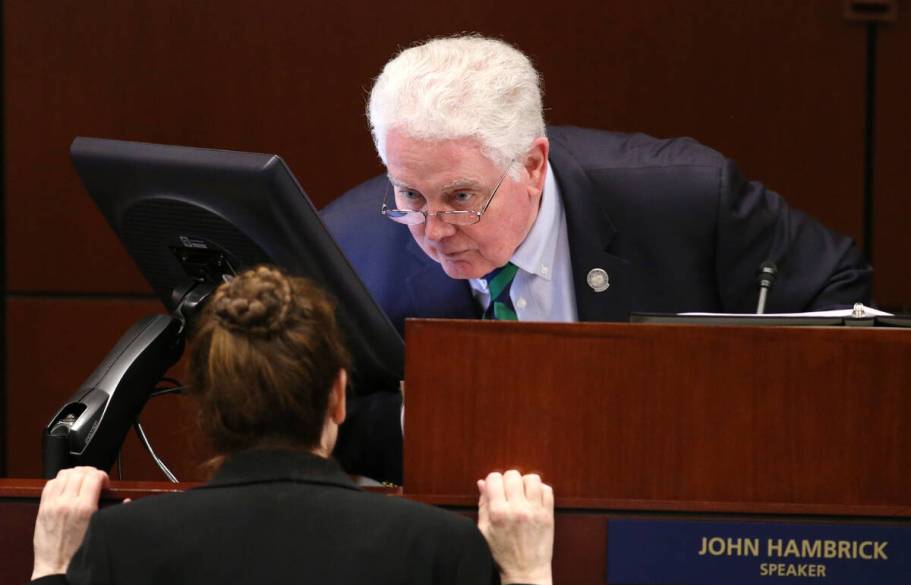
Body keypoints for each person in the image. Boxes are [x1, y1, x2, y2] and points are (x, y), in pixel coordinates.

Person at [322, 34, 873, 482]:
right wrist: (432, 421)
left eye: (462, 198)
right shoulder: (351, 247)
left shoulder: (688, 200)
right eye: (410, 195)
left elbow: (841, 295)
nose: (433, 229)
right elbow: (321, 415)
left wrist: (735, 419)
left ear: (533, 166)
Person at [5, 266, 594, 585]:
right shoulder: (436, 548)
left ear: (206, 404)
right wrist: (527, 580)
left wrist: (51, 566)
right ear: (339, 396)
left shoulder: (121, 546)